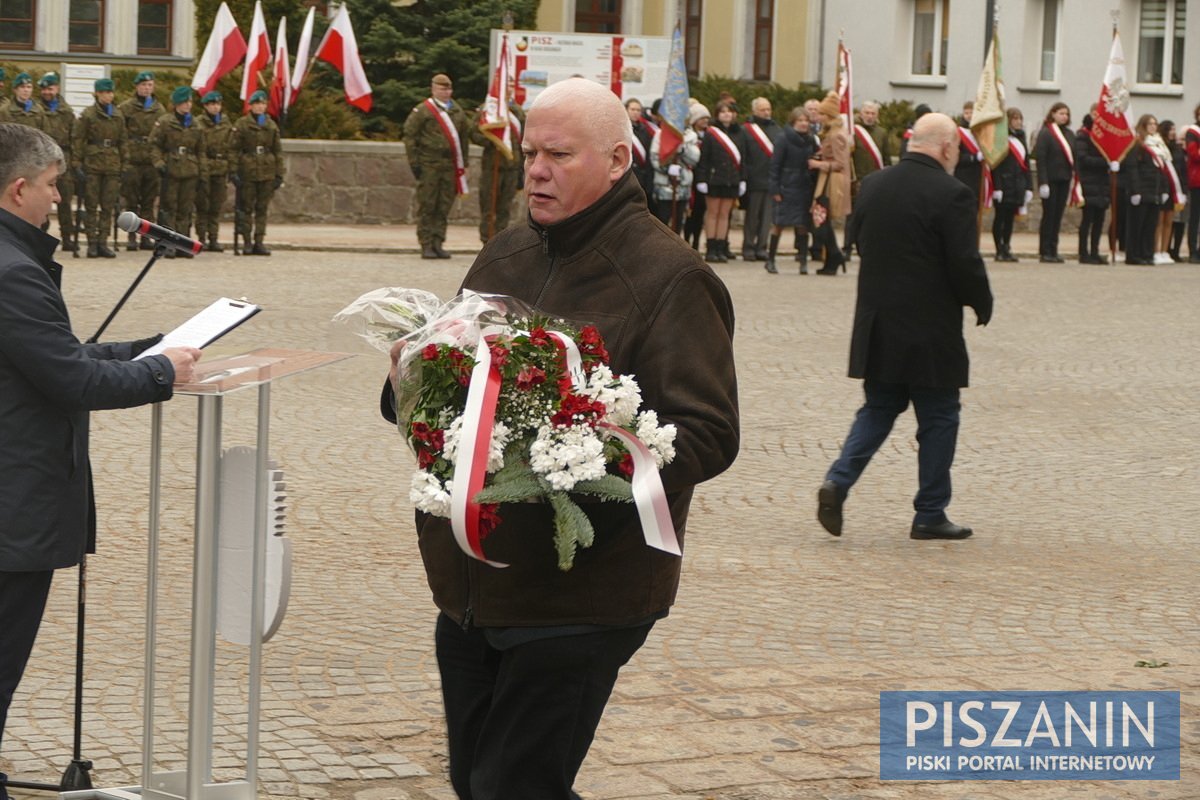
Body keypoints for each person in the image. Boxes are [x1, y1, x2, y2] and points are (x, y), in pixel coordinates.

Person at [380, 77, 738, 800]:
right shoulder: (506, 252)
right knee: (479, 782)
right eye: (529, 151)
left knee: (510, 788)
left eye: (558, 155)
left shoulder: (669, 275)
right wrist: (410, 379)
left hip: (583, 594)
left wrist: (572, 457)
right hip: (473, 583)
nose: (535, 169)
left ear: (615, 160)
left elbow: (709, 431)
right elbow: (441, 403)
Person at [0, 123, 201, 798]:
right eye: (52, 186)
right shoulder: (13, 272)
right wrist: (161, 375)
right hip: (11, 514)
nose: (57, 200)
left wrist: (157, 349)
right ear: (19, 187)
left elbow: (58, 356)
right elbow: (73, 382)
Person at [815, 113, 992, 541]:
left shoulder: (873, 185)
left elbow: (856, 239)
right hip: (931, 330)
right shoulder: (953, 193)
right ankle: (930, 511)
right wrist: (982, 301)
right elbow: (963, 261)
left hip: (878, 324)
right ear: (947, 147)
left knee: (878, 408)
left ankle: (838, 481)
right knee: (939, 416)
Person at [403, 74, 469, 259]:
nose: (446, 92)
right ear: (433, 89)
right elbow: (410, 137)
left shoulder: (457, 111)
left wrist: (465, 164)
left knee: (444, 205)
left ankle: (438, 242)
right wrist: (414, 163)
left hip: (449, 166)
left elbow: (463, 140)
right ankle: (426, 244)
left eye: (448, 89)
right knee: (428, 205)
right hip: (429, 164)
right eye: (442, 89)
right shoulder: (423, 110)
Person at [71, 78, 127, 259]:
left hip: (112, 164)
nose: (108, 95)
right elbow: (78, 140)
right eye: (105, 92)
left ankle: (103, 241)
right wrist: (77, 164)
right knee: (91, 205)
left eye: (110, 92)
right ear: (97, 94)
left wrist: (125, 164)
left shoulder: (118, 115)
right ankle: (92, 242)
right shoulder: (88, 115)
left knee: (108, 206)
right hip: (93, 164)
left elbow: (123, 141)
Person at [151, 87, 204, 259]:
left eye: (189, 102)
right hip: (171, 170)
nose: (187, 106)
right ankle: (168, 243)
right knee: (169, 208)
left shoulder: (196, 124)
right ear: (176, 105)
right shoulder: (165, 122)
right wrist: (159, 163)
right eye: (183, 103)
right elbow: (155, 145)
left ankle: (183, 244)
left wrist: (202, 172)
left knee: (185, 209)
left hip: (190, 170)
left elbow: (200, 151)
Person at [765, 106, 818, 274]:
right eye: (800, 121)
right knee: (779, 224)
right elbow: (775, 165)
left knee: (803, 225)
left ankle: (803, 261)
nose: (803, 124)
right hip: (785, 185)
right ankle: (770, 260)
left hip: (804, 187)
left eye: (806, 121)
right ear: (793, 122)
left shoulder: (811, 140)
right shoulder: (783, 138)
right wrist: (775, 189)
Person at [118, 71, 167, 251]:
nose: (147, 88)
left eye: (150, 85)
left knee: (148, 202)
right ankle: (131, 236)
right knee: (131, 201)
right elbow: (120, 134)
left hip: (150, 161)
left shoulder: (159, 109)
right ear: (137, 87)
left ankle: (146, 237)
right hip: (133, 159)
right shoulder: (126, 108)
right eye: (143, 85)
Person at [694, 100, 747, 263]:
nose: (726, 114)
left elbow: (744, 158)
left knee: (724, 214)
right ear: (717, 114)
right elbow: (704, 158)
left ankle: (720, 246)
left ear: (733, 114)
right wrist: (701, 179)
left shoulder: (740, 133)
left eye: (729, 111)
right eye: (723, 111)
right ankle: (710, 248)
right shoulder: (711, 133)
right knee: (713, 213)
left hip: (732, 179)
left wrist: (743, 179)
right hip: (714, 178)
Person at [231, 90, 283, 256]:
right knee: (246, 208)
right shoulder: (242, 124)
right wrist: (233, 171)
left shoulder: (271, 125)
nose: (260, 107)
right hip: (248, 171)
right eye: (257, 104)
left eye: (263, 104)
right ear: (251, 106)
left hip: (267, 171)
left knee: (262, 208)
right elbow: (233, 149)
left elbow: (277, 151)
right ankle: (246, 241)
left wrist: (279, 174)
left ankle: (259, 241)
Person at [471, 94, 525, 243]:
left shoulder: (518, 112)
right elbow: (473, 133)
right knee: (489, 207)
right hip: (492, 167)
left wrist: (522, 169)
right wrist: (493, 141)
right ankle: (486, 242)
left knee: (505, 209)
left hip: (512, 168)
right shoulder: (488, 109)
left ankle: (500, 243)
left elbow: (524, 140)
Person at [36, 73, 78, 251]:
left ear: (57, 89)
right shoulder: (36, 110)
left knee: (65, 201)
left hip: (63, 159)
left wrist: (76, 163)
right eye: (44, 89)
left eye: (50, 89)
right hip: (42, 160)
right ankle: (40, 234)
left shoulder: (67, 111)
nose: (47, 92)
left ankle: (67, 237)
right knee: (40, 198)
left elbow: (75, 138)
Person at [811, 92, 851, 275]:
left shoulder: (836, 135)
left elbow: (840, 163)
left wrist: (819, 163)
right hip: (825, 180)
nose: (817, 116)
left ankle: (834, 255)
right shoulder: (830, 133)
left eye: (820, 113)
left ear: (828, 116)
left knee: (821, 221)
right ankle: (834, 257)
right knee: (822, 221)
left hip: (831, 182)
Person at [845, 100, 891, 257]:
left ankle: (866, 247)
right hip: (857, 179)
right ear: (861, 113)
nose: (870, 116)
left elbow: (886, 158)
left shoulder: (882, 133)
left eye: (873, 113)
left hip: (876, 180)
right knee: (852, 217)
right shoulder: (853, 132)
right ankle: (847, 247)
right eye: (867, 113)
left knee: (871, 217)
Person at [1033, 102, 1078, 263]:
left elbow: (1074, 157)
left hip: (1064, 180)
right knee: (1049, 215)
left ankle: (1054, 248)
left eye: (1066, 114)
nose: (1064, 116)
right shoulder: (1046, 133)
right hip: (1050, 180)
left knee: (1058, 216)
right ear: (1053, 114)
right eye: (1061, 113)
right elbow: (1041, 159)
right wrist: (1043, 182)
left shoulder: (1070, 134)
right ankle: (1045, 250)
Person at [1122, 114, 1168, 266]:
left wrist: (1163, 190)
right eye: (1150, 124)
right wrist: (1135, 191)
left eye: (1155, 124)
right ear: (1143, 126)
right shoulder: (1137, 144)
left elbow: (1162, 170)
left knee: (1150, 225)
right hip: (1141, 191)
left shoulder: (1158, 145)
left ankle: (1147, 253)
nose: (1153, 127)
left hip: (1153, 191)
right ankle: (1133, 255)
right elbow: (1132, 168)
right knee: (1137, 225)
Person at [741, 97, 783, 261]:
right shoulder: (746, 130)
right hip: (753, 179)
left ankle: (762, 248)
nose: (766, 113)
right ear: (754, 111)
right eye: (762, 109)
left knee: (767, 218)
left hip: (771, 181)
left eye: (768, 109)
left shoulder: (777, 129)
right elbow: (743, 156)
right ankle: (748, 247)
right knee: (752, 217)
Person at [649, 104, 701, 233]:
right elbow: (654, 158)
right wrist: (667, 169)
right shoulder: (660, 134)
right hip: (664, 185)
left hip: (683, 185)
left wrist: (683, 148)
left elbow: (694, 159)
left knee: (678, 223)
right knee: (662, 221)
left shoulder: (691, 136)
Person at [194, 91, 235, 252]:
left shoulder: (226, 124)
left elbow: (231, 147)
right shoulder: (199, 123)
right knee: (202, 206)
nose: (215, 107)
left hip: (220, 168)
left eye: (217, 104)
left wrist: (231, 168)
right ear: (205, 106)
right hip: (204, 168)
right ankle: (202, 238)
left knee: (216, 206)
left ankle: (214, 237)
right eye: (212, 104)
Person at [991, 107, 1032, 262]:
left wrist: (1029, 186)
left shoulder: (1022, 138)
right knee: (1000, 218)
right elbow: (996, 164)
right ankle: (998, 249)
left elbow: (1025, 163)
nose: (1018, 122)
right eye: (1015, 119)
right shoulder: (1001, 138)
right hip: (1004, 183)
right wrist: (998, 187)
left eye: (1020, 119)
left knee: (1010, 219)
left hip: (1017, 185)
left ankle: (1007, 247)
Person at [1073, 113, 1113, 264]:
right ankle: (1083, 253)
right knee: (1087, 220)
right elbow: (1083, 159)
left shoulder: (1103, 138)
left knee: (1099, 221)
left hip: (1102, 184)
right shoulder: (1083, 136)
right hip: (1088, 183)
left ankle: (1095, 252)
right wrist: (1105, 162)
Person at [1157, 120, 1187, 262]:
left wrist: (1184, 190)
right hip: (1163, 188)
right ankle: (1156, 250)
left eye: (1174, 129)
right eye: (1170, 129)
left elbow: (1182, 169)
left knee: (1170, 221)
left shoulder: (1177, 148)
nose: (1173, 132)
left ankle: (1165, 250)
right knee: (1159, 221)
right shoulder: (1160, 147)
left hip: (1175, 188)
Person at [681, 104, 710, 250]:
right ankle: (686, 241)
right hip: (689, 179)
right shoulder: (689, 135)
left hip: (703, 180)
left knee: (699, 214)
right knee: (689, 215)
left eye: (707, 118)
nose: (705, 120)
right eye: (702, 117)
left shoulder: (710, 135)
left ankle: (696, 243)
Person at [626, 98, 656, 208]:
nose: (635, 112)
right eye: (632, 109)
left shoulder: (646, 130)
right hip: (630, 175)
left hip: (645, 176)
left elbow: (649, 155)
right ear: (626, 110)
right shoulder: (622, 129)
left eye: (638, 110)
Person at [954, 100, 985, 210]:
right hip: (963, 177)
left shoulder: (980, 131)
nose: (969, 116)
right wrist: (974, 157)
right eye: (966, 113)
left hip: (978, 177)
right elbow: (956, 157)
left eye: (971, 112)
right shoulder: (958, 132)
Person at [1185, 104, 1200, 262]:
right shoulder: (1193, 132)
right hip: (1197, 180)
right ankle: (1192, 251)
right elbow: (1194, 154)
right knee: (1195, 217)